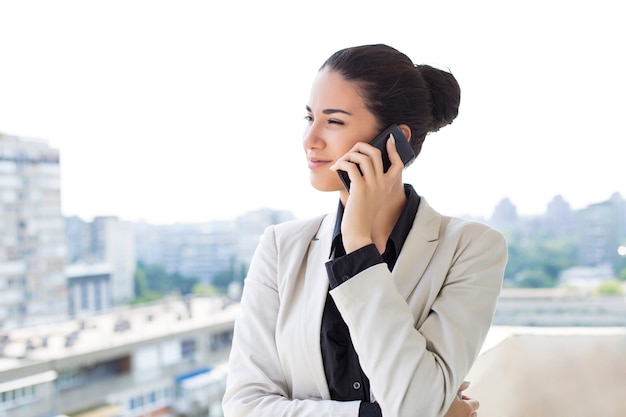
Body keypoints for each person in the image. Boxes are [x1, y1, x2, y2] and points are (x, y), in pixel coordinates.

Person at [222, 44, 507, 417]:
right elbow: (245, 407)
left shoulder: (471, 249)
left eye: (334, 121)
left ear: (394, 140)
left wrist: (357, 248)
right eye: (309, 118)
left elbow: (415, 406)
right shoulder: (281, 248)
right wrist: (370, 414)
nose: (311, 140)